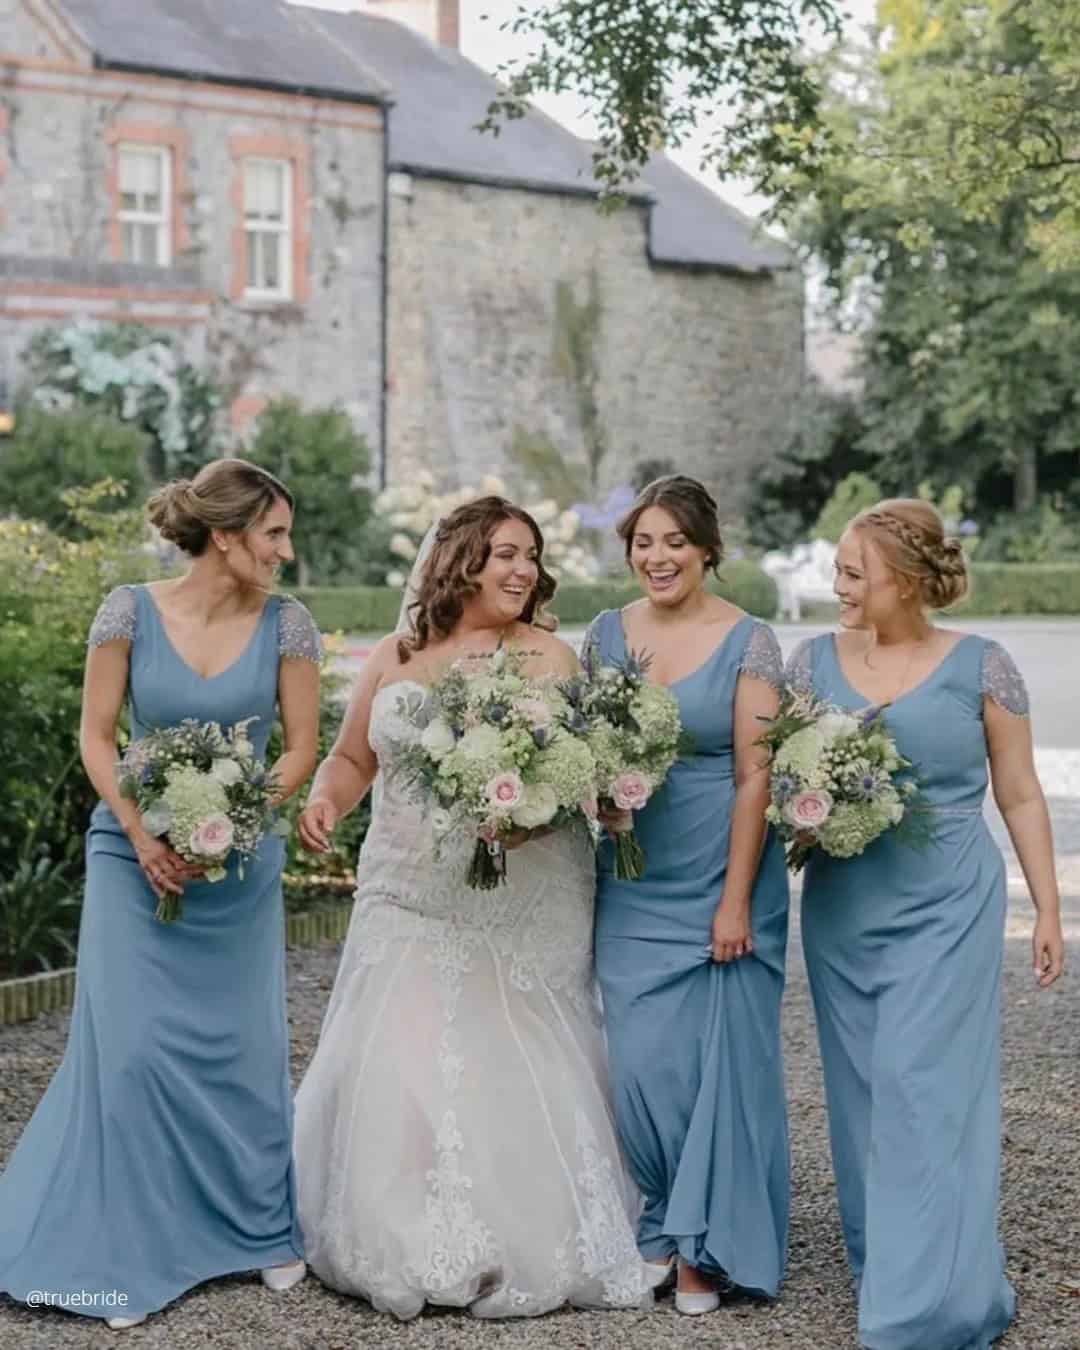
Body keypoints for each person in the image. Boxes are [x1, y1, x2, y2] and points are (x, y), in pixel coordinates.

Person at [292, 496, 647, 1320]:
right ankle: (400, 1223)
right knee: (403, 1046)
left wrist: (526, 814)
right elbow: (353, 755)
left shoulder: (551, 660)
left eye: (530, 554)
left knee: (506, 1044)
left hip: (520, 892)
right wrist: (325, 802)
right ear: (460, 562)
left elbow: (573, 778)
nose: (523, 570)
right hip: (406, 883)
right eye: (505, 554)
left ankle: (515, 1226)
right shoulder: (398, 651)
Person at [0, 459, 322, 1330]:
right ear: (226, 536)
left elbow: (299, 748)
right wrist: (145, 833)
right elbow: (97, 737)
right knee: (135, 1051)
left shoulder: (289, 625)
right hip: (131, 858)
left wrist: (238, 815)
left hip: (239, 864)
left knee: (244, 1046)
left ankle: (258, 1227)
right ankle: (127, 1247)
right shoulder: (129, 609)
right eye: (274, 535)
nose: (286, 552)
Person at [788, 497, 1066, 1349]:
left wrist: (1048, 908)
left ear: (903, 583)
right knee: (865, 1095)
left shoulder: (984, 666)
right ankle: (891, 1266)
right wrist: (806, 816)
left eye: (851, 572)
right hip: (843, 907)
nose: (836, 585)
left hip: (949, 904)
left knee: (927, 1089)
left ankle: (931, 1301)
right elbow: (783, 789)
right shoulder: (810, 665)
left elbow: (1018, 792)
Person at [583, 475, 791, 1315]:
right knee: (644, 1065)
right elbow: (588, 748)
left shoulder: (751, 640)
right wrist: (602, 797)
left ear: (707, 549)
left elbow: (756, 776)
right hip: (634, 872)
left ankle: (707, 1247)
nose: (657, 558)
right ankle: (664, 1218)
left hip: (725, 869)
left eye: (674, 542)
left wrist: (735, 900)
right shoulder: (605, 633)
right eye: (643, 543)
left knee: (718, 1064)